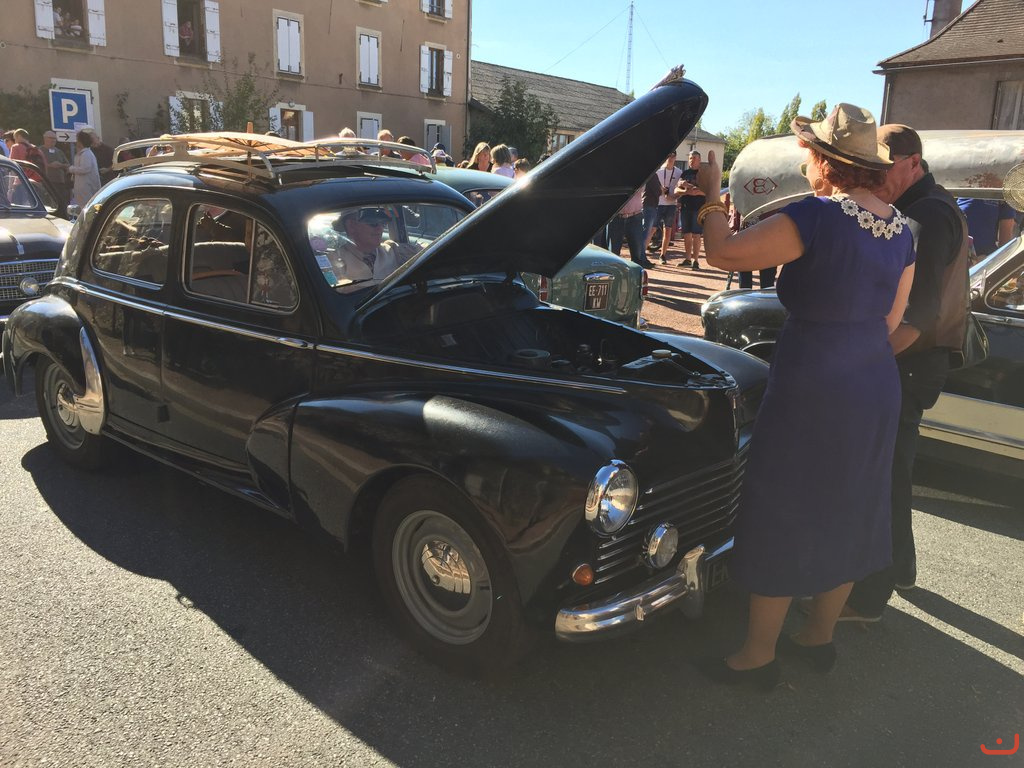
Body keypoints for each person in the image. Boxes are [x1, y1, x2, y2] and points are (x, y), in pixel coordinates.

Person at [695, 104, 916, 690]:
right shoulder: (901, 230)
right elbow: (892, 320)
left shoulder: (816, 216)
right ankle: (818, 636)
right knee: (850, 504)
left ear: (824, 161)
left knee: (785, 502)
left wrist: (713, 195)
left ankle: (757, 656)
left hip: (814, 377)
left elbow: (723, 253)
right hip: (874, 379)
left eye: (809, 155)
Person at [842, 124, 970, 621]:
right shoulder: (931, 204)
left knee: (883, 475)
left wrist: (867, 360)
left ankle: (869, 596)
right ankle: (901, 569)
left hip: (910, 360)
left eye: (885, 166)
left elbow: (920, 313)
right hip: (918, 360)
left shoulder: (925, 214)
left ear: (913, 162)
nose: (876, 177)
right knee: (895, 468)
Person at [328, 207, 417, 290]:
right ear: (351, 226)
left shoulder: (393, 249)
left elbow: (423, 253)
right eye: (372, 223)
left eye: (383, 223)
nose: (380, 229)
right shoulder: (332, 262)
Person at [608, 183, 653, 268]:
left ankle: (636, 275)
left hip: (635, 217)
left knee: (637, 256)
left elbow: (640, 189)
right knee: (613, 254)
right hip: (616, 218)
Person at [675, 150, 706, 269]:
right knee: (687, 234)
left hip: (699, 208)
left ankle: (696, 261)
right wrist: (686, 191)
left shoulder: (703, 173)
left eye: (695, 158)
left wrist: (697, 191)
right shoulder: (684, 174)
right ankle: (687, 259)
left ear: (700, 160)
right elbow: (677, 190)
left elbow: (709, 190)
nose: (692, 160)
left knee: (696, 234)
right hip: (685, 207)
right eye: (690, 158)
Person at [654, 151, 683, 265]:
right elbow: (652, 187)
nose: (670, 158)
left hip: (671, 204)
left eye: (673, 156)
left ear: (676, 157)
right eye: (668, 155)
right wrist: (660, 190)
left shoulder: (679, 172)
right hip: (659, 204)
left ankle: (663, 255)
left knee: (668, 230)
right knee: (652, 229)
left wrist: (675, 197)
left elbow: (681, 188)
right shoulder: (659, 171)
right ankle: (642, 254)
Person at [68, 130, 101, 206]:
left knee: (86, 206)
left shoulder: (86, 154)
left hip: (87, 187)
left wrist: (71, 169)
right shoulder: (81, 154)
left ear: (81, 141)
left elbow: (85, 169)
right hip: (82, 187)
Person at [40, 130, 71, 207]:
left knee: (60, 203)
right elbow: (37, 165)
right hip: (46, 182)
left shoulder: (59, 151)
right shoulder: (40, 151)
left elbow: (68, 165)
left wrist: (60, 165)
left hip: (60, 182)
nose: (53, 140)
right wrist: (50, 165)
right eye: (51, 138)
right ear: (45, 138)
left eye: (54, 138)